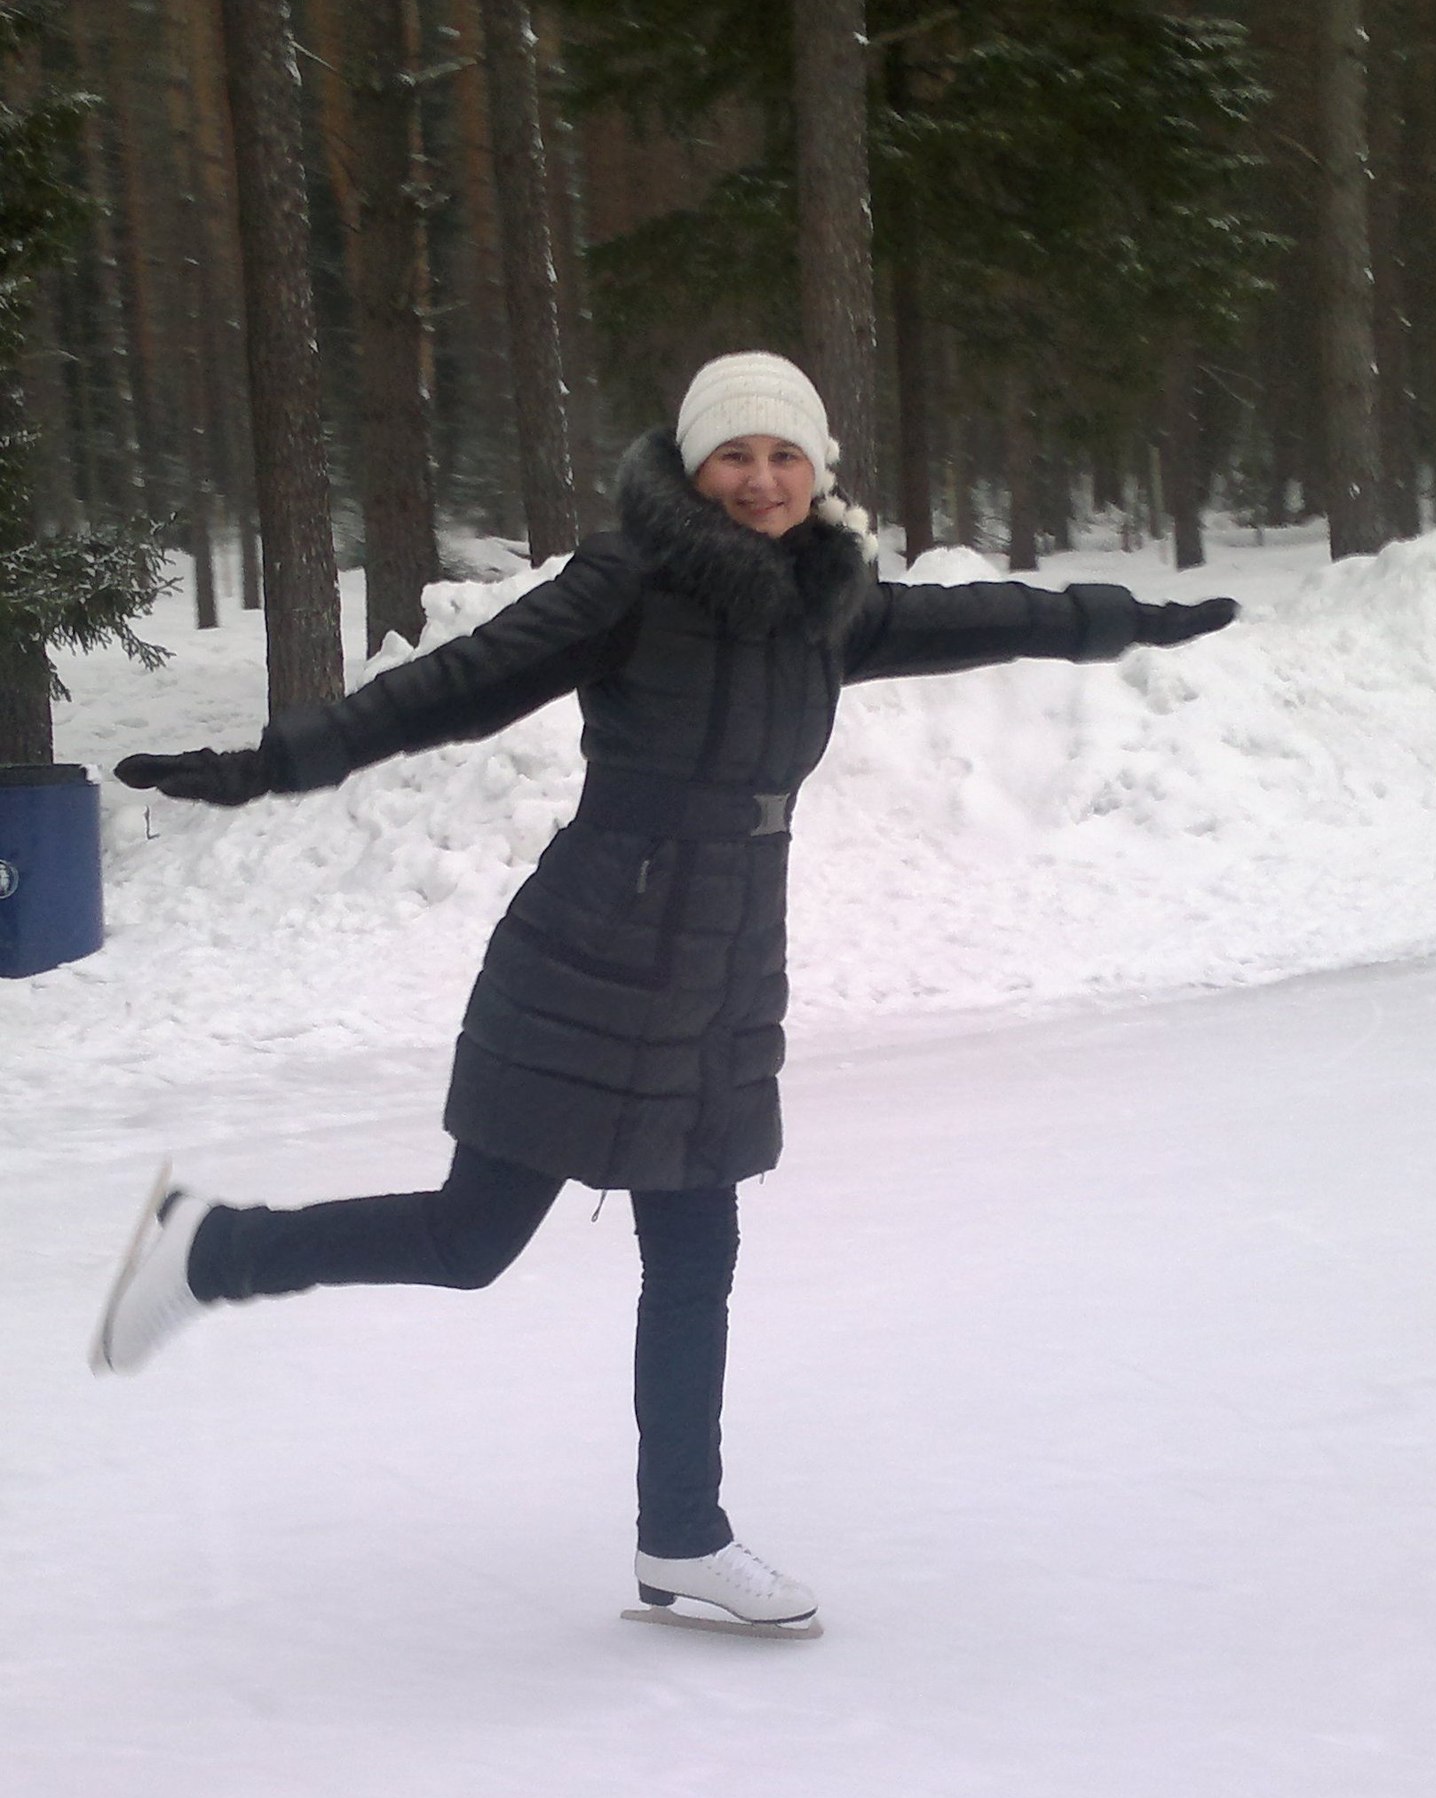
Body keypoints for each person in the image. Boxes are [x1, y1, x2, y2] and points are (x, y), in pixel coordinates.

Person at [93, 351, 1237, 1631]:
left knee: (697, 1252)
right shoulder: (627, 583)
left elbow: (984, 619)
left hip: (724, 963)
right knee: (470, 1241)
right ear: (694, 468)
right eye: (734, 454)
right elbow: (458, 684)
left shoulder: (829, 604)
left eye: (784, 454)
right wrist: (273, 762)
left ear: (816, 472)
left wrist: (1115, 616)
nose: (761, 478)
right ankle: (213, 1250)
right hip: (596, 947)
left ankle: (682, 1534)